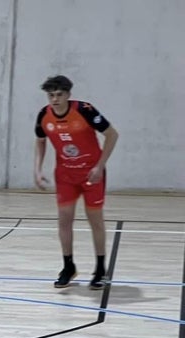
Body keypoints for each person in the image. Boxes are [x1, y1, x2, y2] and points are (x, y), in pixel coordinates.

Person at [34, 75, 119, 290]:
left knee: (95, 220)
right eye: (51, 95)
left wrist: (99, 166)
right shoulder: (44, 115)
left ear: (68, 95)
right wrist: (37, 169)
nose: (55, 99)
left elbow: (112, 135)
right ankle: (68, 267)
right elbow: (40, 141)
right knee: (64, 220)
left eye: (59, 95)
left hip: (91, 175)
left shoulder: (85, 110)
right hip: (65, 176)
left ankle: (100, 268)